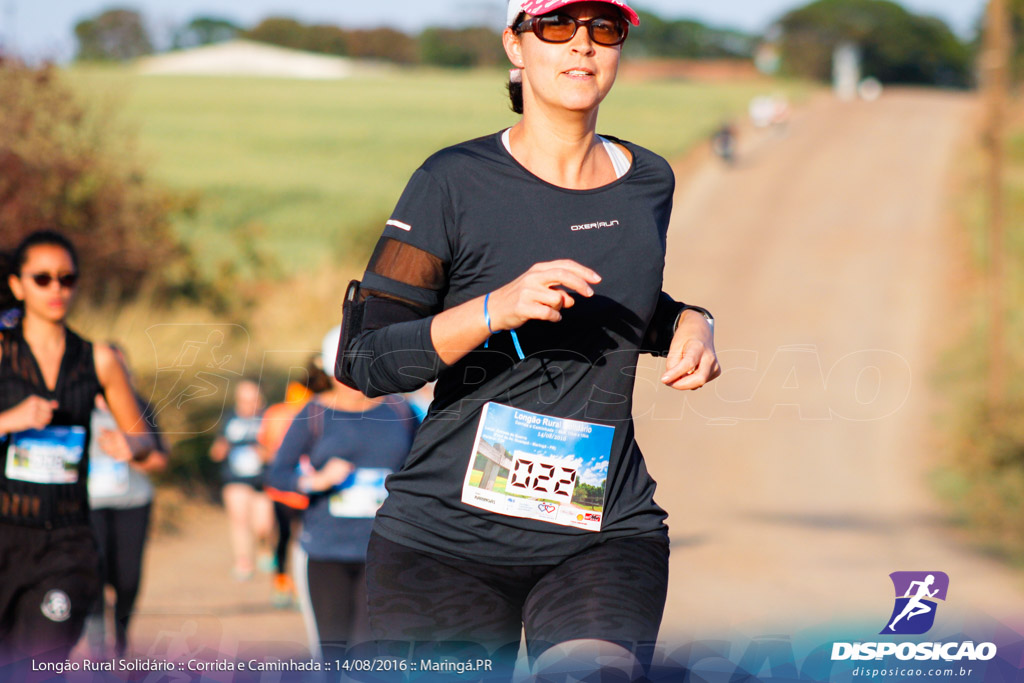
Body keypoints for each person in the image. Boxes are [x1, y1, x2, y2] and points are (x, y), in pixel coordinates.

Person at [335, 0, 721, 677]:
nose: (582, 45)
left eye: (604, 28)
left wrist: (692, 320)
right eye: (557, 26)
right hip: (443, 538)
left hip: (602, 533)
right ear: (516, 47)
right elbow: (365, 361)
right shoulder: (451, 181)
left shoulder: (649, 181)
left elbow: (620, 299)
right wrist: (494, 307)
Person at [0, 230, 156, 666]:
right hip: (4, 534)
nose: (56, 289)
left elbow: (145, 440)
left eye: (67, 279)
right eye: (43, 278)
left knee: (41, 666)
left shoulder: (99, 358)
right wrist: (11, 420)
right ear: (17, 285)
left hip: (66, 544)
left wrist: (131, 444)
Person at [266, 327, 416, 665]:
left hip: (383, 553)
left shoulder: (401, 411)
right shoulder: (313, 413)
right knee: (333, 657)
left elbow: (423, 470)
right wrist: (315, 482)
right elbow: (277, 474)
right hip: (326, 551)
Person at [84, 344, 168, 658]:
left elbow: (161, 459)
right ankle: (97, 650)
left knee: (128, 579)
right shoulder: (74, 405)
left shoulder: (141, 407)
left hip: (133, 503)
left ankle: (120, 636)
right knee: (92, 572)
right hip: (88, 505)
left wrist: (132, 452)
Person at [260, 355, 333, 608]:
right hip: (287, 487)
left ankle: (302, 589)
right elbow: (268, 445)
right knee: (283, 536)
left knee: (304, 538)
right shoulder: (286, 409)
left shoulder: (329, 406)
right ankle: (281, 580)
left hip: (313, 488)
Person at [209, 379, 273, 580]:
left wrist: (264, 453)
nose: (248, 404)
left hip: (263, 479)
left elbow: (279, 451)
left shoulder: (270, 418)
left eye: (253, 399)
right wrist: (220, 451)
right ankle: (243, 562)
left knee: (263, 525)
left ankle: (265, 549)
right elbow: (216, 449)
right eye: (243, 400)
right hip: (234, 478)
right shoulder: (229, 418)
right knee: (239, 519)